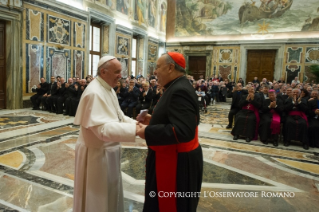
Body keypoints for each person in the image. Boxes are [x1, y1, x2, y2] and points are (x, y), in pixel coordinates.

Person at [136, 52, 203, 212]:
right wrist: (153, 120)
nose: (155, 72)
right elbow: (177, 119)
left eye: (158, 67)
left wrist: (148, 132)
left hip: (176, 164)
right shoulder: (177, 85)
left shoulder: (179, 90)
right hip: (172, 157)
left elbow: (183, 131)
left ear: (171, 67)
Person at [73, 56, 140, 212]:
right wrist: (136, 131)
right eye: (117, 72)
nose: (120, 75)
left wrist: (137, 124)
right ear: (103, 71)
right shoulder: (94, 93)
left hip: (108, 152)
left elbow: (119, 116)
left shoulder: (107, 88)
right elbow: (102, 130)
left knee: (110, 195)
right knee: (97, 199)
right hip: (96, 155)